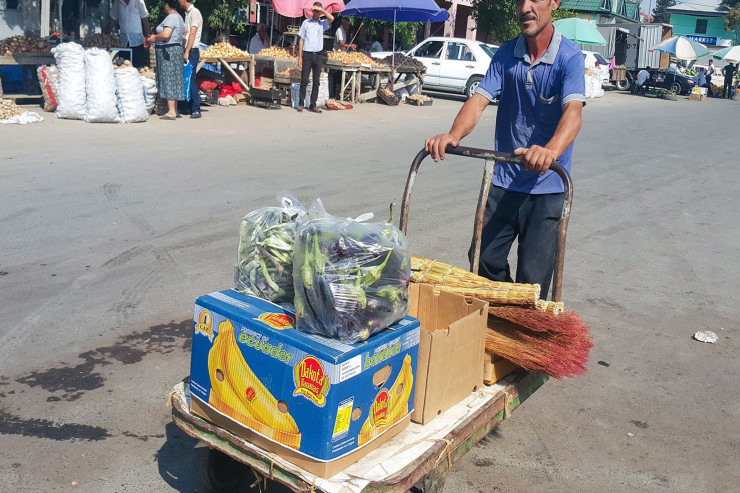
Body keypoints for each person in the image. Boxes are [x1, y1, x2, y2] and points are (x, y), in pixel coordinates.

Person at [424, 0, 585, 300]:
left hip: (547, 187)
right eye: (519, 1)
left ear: (554, 3)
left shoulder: (569, 56)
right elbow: (479, 100)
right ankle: (506, 310)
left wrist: (549, 151)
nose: (526, 7)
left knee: (533, 280)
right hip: (504, 182)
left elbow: (573, 113)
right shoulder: (505, 54)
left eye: (535, 0)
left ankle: (521, 322)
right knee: (482, 259)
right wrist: (453, 134)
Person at [147, 0, 185, 120]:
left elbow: (166, 35)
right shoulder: (179, 17)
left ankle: (171, 111)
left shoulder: (170, 18)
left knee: (168, 78)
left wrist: (154, 38)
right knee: (175, 79)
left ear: (167, 5)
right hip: (175, 50)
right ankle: (175, 109)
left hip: (168, 51)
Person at [297, 2, 334, 113]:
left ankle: (313, 104)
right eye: (315, 10)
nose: (316, 13)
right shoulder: (306, 23)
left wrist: (322, 10)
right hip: (307, 54)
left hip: (318, 55)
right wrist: (300, 56)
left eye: (318, 11)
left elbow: (332, 18)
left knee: (316, 81)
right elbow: (301, 40)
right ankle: (301, 103)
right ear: (312, 11)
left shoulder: (322, 24)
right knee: (304, 79)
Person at [107, 0, 151, 68]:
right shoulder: (118, 2)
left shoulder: (139, 2)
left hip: (137, 41)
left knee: (138, 67)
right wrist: (107, 36)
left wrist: (148, 37)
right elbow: (113, 19)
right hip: (123, 42)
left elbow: (145, 20)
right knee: (123, 66)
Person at [180, 0, 203, 119]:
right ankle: (187, 106)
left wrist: (187, 51)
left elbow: (193, 34)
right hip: (187, 49)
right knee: (186, 79)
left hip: (192, 50)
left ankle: (196, 109)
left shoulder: (195, 12)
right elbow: (187, 33)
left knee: (191, 79)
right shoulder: (187, 13)